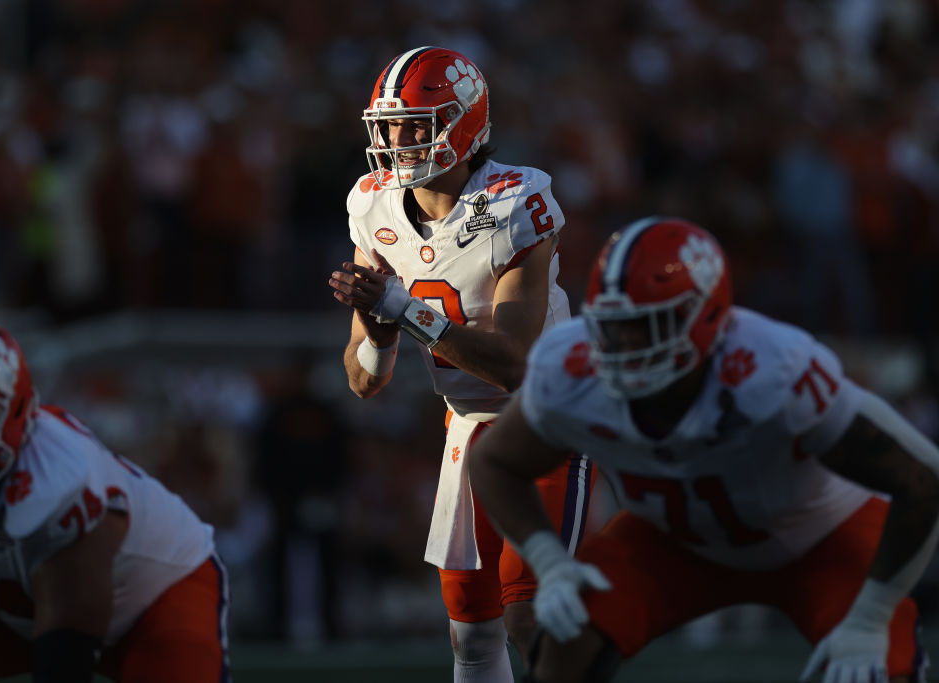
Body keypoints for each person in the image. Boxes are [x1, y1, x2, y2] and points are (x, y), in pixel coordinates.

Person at [468, 216, 939, 683]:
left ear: (706, 316)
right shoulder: (571, 366)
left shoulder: (774, 370)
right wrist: (549, 560)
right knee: (568, 642)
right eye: (614, 327)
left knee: (880, 666)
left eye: (649, 326)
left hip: (815, 537)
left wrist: (870, 616)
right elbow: (495, 462)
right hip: (671, 539)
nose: (627, 346)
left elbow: (922, 478)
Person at [328, 46, 596, 681]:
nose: (397, 140)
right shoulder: (372, 205)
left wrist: (401, 305)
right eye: (389, 124)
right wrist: (379, 326)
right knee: (469, 634)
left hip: (544, 418)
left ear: (464, 123)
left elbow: (514, 365)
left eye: (415, 124)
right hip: (467, 427)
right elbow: (365, 379)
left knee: (530, 619)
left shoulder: (516, 200)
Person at [0, 316, 230, 682]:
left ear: (9, 415)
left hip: (156, 595)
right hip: (16, 612)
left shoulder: (57, 479)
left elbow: (66, 651)